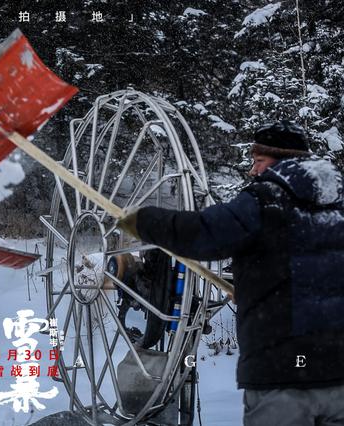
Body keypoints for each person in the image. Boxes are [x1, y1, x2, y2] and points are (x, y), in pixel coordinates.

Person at [118, 121, 344, 425]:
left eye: (259, 161)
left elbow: (202, 233)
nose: (253, 171)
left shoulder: (266, 200)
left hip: (282, 375)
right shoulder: (338, 205)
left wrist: (142, 220)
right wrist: (256, 286)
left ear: (282, 160)